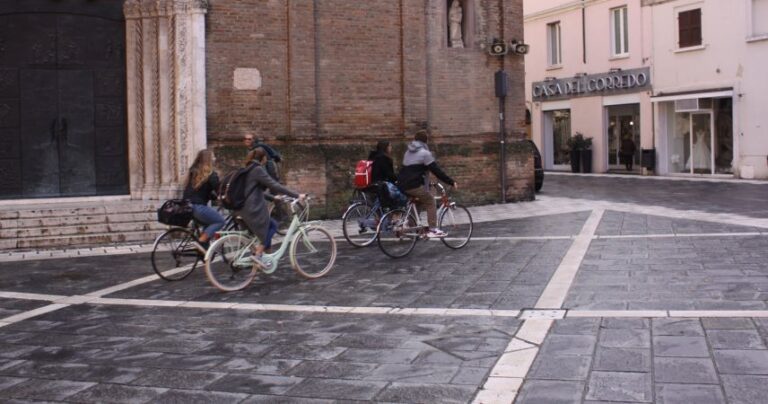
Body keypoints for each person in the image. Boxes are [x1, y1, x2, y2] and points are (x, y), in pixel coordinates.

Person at [236, 147, 306, 262]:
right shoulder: (257, 169)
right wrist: (297, 195)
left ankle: (266, 260)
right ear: (263, 159)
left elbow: (255, 191)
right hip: (251, 209)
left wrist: (273, 198)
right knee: (272, 225)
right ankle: (258, 254)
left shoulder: (247, 168)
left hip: (240, 208)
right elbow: (275, 185)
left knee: (264, 231)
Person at [397, 130, 458, 238]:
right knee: (430, 201)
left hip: (402, 184)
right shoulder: (425, 153)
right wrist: (451, 181)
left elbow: (412, 171)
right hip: (413, 185)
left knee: (419, 202)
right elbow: (436, 171)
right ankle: (433, 229)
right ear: (426, 141)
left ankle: (410, 226)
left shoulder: (407, 152)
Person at [182, 149, 225, 248]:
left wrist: (214, 197)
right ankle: (200, 242)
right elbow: (219, 190)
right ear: (209, 159)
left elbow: (202, 191)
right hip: (198, 207)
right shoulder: (211, 175)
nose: (215, 159)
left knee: (208, 224)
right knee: (220, 221)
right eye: (213, 157)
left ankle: (204, 253)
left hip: (187, 206)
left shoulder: (193, 172)